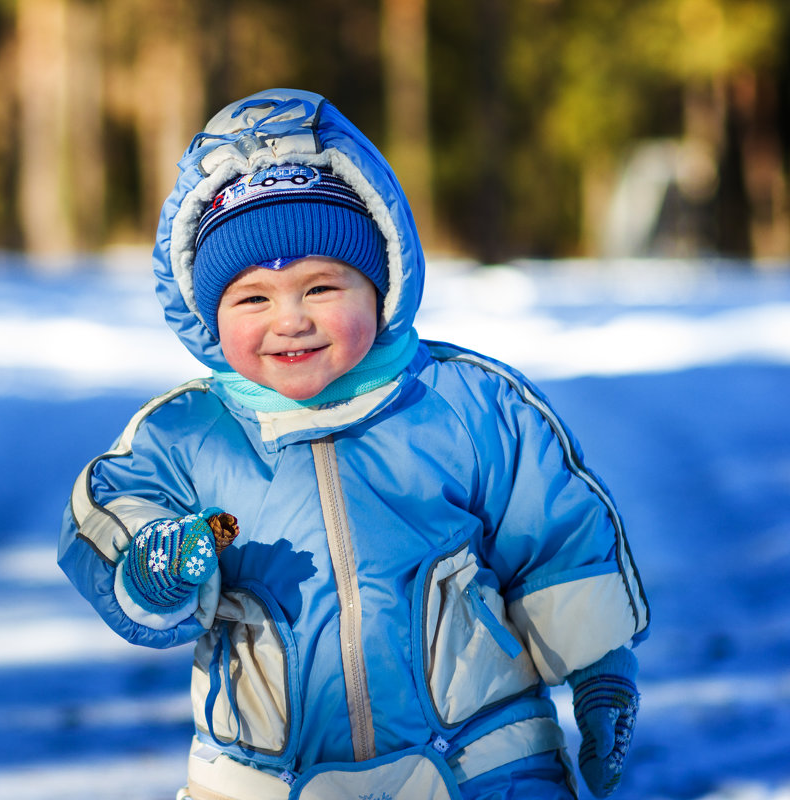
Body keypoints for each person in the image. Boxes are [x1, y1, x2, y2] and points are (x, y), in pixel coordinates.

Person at [58, 88, 649, 800]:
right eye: (253, 299)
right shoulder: (184, 437)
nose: (291, 321)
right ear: (209, 313)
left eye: (322, 287)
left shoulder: (465, 405)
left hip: (481, 759)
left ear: (381, 283)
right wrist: (151, 561)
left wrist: (601, 672)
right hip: (268, 778)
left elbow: (556, 539)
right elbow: (107, 515)